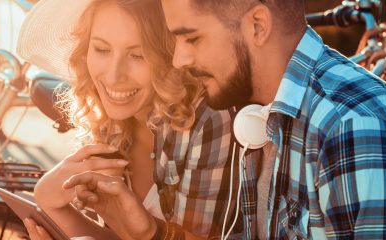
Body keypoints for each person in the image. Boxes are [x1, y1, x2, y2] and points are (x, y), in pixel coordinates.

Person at [66, 0, 386, 239]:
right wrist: (151, 233)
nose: (178, 60)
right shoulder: (263, 113)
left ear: (258, 26)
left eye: (192, 39)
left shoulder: (354, 128)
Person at [16, 0, 240, 239]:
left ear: (170, 56)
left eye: (137, 55)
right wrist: (50, 205)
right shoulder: (106, 121)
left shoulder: (206, 120)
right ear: (85, 51)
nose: (114, 76)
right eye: (102, 49)